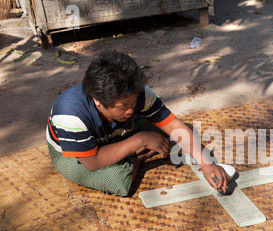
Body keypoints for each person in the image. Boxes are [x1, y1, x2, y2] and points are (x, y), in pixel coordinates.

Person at [47, 50, 228, 196]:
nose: (131, 110)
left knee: (182, 132)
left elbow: (174, 125)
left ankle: (128, 148)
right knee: (116, 180)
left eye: (133, 103)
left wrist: (206, 163)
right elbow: (93, 162)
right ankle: (137, 158)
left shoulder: (137, 93)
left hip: (115, 133)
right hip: (73, 154)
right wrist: (140, 140)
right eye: (123, 106)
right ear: (98, 101)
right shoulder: (71, 115)